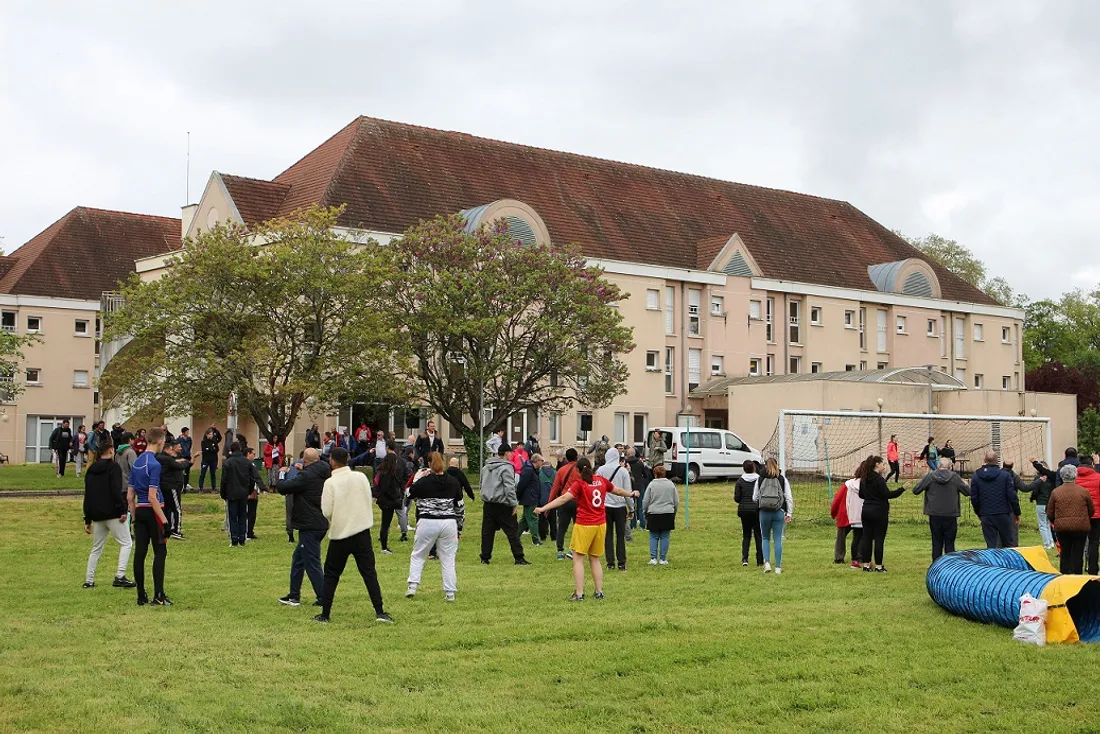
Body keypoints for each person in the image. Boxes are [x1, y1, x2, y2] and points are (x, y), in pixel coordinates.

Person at [535, 457, 638, 600]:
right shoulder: (601, 481)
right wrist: (631, 494)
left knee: (578, 559)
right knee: (595, 559)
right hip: (600, 524)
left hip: (584, 524)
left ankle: (579, 593)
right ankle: (599, 591)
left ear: (577, 470)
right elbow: (619, 491)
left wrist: (544, 508)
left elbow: (564, 498)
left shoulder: (580, 484)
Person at [315, 448, 393, 624]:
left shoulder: (330, 482)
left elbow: (326, 510)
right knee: (369, 573)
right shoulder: (360, 477)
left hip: (340, 533)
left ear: (332, 461)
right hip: (361, 531)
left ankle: (325, 614)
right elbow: (368, 497)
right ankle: (380, 611)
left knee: (332, 574)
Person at [275, 448, 331, 607]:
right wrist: (305, 468)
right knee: (299, 559)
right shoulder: (324, 471)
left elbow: (283, 488)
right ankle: (294, 595)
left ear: (303, 460)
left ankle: (323, 597)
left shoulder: (306, 477)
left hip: (309, 524)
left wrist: (282, 473)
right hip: (320, 522)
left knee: (312, 561)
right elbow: (316, 467)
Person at [405, 452, 463, 601]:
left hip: (427, 521)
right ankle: (450, 592)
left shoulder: (423, 482)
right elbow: (460, 507)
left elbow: (408, 494)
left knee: (418, 555)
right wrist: (459, 527)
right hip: (449, 522)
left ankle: (413, 586)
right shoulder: (453, 482)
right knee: (448, 558)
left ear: (429, 464)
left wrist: (417, 478)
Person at [82, 442, 135, 590]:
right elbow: (116, 490)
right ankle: (120, 575)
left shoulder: (91, 469)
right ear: (111, 451)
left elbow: (88, 495)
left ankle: (89, 580)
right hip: (113, 513)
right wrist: (123, 510)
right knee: (126, 543)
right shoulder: (114, 467)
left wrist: (87, 518)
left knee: (96, 548)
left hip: (97, 514)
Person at [127, 427, 171, 605]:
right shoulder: (154, 464)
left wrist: (135, 517)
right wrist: (165, 520)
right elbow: (153, 497)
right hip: (154, 511)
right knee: (160, 551)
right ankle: (158, 595)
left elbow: (130, 496)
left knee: (140, 553)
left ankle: (141, 595)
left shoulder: (137, 462)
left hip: (140, 511)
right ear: (160, 442)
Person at [479, 442, 529, 565]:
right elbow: (509, 487)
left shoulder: (486, 467)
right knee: (512, 531)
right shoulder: (507, 467)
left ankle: (485, 557)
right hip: (503, 504)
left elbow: (481, 484)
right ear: (507, 453)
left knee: (487, 532)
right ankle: (519, 557)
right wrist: (513, 504)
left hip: (488, 503)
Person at [912, 457, 971, 561]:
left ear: (938, 466)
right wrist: (966, 484)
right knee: (950, 542)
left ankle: (936, 565)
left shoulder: (930, 476)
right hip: (950, 514)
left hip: (934, 514)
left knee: (936, 542)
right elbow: (968, 492)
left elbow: (916, 490)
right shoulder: (954, 477)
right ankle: (949, 566)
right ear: (950, 467)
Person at [857, 455, 905, 572]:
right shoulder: (879, 480)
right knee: (879, 539)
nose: (884, 466)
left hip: (866, 511)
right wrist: (902, 488)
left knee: (867, 538)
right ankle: (878, 566)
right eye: (883, 464)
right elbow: (887, 494)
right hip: (879, 511)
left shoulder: (864, 478)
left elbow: (861, 495)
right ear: (877, 464)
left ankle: (866, 565)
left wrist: (870, 496)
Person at [1047, 464, 1094, 575]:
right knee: (1078, 553)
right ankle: (1077, 576)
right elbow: (1091, 510)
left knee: (1065, 553)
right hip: (1081, 527)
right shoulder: (1084, 491)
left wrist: (1057, 521)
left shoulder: (1056, 492)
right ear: (1075, 476)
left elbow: (1050, 512)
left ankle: (1064, 575)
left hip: (1062, 528)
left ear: (1062, 476)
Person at [969, 451, 1020, 549]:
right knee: (1008, 543)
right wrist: (1016, 512)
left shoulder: (976, 477)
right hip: (1004, 513)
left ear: (984, 460)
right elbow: (1012, 496)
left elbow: (974, 498)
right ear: (997, 461)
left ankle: (992, 563)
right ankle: (1007, 564)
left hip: (986, 514)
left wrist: (979, 512)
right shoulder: (1005, 476)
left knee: (991, 544)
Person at [753, 458, 795, 574]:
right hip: (778, 511)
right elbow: (788, 497)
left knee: (765, 537)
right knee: (777, 539)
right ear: (777, 465)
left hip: (764, 512)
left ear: (765, 466)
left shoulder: (760, 478)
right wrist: (789, 513)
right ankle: (778, 567)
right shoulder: (782, 479)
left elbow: (754, 497)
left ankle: (767, 563)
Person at [597, 447, 634, 571]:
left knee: (607, 535)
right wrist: (631, 508)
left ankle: (610, 563)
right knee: (620, 535)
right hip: (620, 506)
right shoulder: (623, 471)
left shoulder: (601, 470)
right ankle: (622, 563)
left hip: (605, 506)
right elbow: (627, 491)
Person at [221, 442, 258, 547]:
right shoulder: (247, 463)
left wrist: (223, 493)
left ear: (231, 450)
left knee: (232, 517)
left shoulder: (227, 463)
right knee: (243, 515)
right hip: (243, 493)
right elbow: (252, 479)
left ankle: (234, 539)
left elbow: (224, 480)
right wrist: (249, 491)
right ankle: (242, 538)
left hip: (231, 493)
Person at [155, 439, 191, 540]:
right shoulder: (168, 459)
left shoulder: (159, 458)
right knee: (176, 508)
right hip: (171, 486)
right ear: (167, 450)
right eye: (171, 450)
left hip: (163, 486)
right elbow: (179, 466)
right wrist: (186, 462)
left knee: (167, 508)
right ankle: (176, 530)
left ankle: (168, 527)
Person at [642, 464, 678, 565]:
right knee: (665, 536)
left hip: (653, 513)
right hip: (668, 512)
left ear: (654, 474)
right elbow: (676, 501)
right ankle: (663, 558)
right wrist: (674, 511)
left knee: (653, 536)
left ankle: (653, 558)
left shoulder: (651, 485)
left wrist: (644, 512)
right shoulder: (671, 485)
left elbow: (645, 501)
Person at [549, 448, 581, 560]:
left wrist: (550, 504)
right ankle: (573, 550)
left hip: (564, 500)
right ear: (577, 457)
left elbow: (555, 488)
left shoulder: (561, 470)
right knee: (578, 527)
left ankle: (560, 551)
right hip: (577, 501)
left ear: (566, 458)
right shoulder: (580, 470)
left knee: (562, 527)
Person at [373, 453, 404, 554]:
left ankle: (384, 546)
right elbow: (386, 489)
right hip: (387, 501)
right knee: (385, 524)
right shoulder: (388, 474)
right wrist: (395, 497)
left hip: (385, 500)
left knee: (386, 523)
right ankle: (384, 547)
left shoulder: (383, 472)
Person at [1074, 454, 1100, 574]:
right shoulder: (1098, 477)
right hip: (1096, 515)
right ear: (1092, 464)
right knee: (1094, 543)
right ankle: (1093, 568)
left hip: (1079, 515)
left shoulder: (1074, 478)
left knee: (1079, 542)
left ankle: (1078, 570)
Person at [734, 460, 763, 567]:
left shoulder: (740, 481)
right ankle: (760, 560)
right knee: (758, 535)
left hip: (744, 510)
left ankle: (745, 559)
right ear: (754, 468)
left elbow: (737, 498)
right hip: (756, 510)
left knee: (746, 535)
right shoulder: (759, 480)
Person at [1028, 458, 1058, 549]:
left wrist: (1032, 498)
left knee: (1042, 524)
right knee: (1048, 523)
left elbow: (1035, 490)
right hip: (1050, 503)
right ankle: (1052, 542)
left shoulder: (1038, 478)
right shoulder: (1052, 478)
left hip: (1041, 502)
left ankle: (1047, 544)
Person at [516, 453, 544, 545]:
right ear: (537, 461)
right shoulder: (528, 470)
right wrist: (518, 495)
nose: (542, 462)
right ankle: (535, 540)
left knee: (525, 520)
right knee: (533, 518)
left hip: (531, 497)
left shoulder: (533, 470)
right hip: (530, 498)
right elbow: (522, 484)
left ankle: (515, 536)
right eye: (541, 461)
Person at [829, 472, 856, 565]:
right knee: (861, 535)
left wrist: (833, 513)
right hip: (859, 514)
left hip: (845, 514)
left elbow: (837, 500)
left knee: (841, 537)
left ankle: (839, 557)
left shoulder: (847, 485)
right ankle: (860, 557)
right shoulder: (866, 484)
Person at [626, 446, 652, 531]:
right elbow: (645, 474)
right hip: (640, 486)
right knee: (641, 507)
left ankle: (633, 525)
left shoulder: (626, 463)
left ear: (628, 454)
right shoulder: (640, 463)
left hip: (630, 486)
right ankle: (642, 525)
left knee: (632, 506)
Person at [844, 472, 865, 569]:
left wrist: (850, 514)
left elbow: (847, 501)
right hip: (865, 514)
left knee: (856, 538)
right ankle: (865, 560)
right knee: (865, 538)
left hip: (854, 515)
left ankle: (854, 560)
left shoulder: (850, 484)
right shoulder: (867, 484)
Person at [536, 456, 557, 543]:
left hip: (542, 499)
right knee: (553, 519)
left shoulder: (539, 473)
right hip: (552, 499)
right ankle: (554, 536)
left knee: (542, 519)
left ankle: (543, 536)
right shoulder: (555, 473)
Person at [245, 447, 263, 540]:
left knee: (251, 513)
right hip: (249, 492)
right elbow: (255, 478)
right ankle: (248, 532)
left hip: (252, 491)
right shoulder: (249, 465)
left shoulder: (251, 465)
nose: (254, 456)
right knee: (249, 513)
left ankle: (249, 531)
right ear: (248, 454)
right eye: (253, 454)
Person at [199, 427, 221, 492]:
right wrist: (211, 449)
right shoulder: (203, 442)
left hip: (213, 460)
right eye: (210, 434)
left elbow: (216, 450)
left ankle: (213, 488)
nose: (211, 436)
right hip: (205, 460)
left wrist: (210, 449)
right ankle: (201, 488)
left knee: (213, 474)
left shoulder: (214, 441)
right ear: (207, 435)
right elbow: (204, 450)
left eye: (212, 434)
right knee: (203, 474)